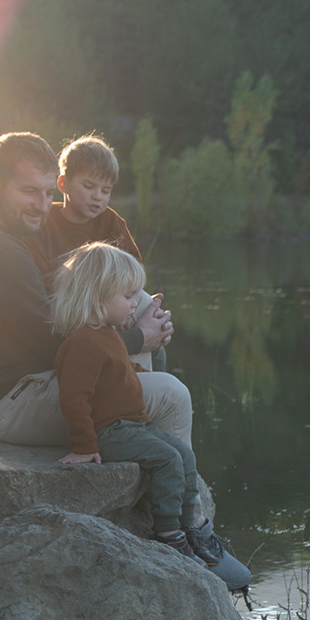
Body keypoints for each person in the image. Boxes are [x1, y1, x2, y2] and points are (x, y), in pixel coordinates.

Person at [0, 131, 184, 446]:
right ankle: (181, 494)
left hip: (22, 387)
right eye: (30, 192)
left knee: (139, 320)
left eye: (48, 194)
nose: (43, 206)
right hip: (7, 405)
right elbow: (54, 343)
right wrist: (139, 337)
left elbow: (53, 330)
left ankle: (147, 467)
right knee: (171, 396)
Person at [50, 243, 219, 566]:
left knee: (184, 455)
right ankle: (168, 535)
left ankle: (188, 527)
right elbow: (74, 398)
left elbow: (119, 371)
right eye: (127, 297)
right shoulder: (82, 342)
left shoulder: (108, 334)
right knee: (169, 458)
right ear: (98, 296)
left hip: (132, 425)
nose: (134, 305)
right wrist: (85, 446)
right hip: (111, 432)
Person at [33, 134, 194, 444]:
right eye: (89, 187)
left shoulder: (111, 223)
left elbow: (133, 272)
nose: (98, 197)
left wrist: (143, 306)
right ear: (63, 183)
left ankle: (148, 379)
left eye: (106, 190)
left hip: (111, 304)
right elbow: (43, 280)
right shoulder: (46, 221)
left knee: (146, 302)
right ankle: (135, 390)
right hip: (73, 307)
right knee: (134, 308)